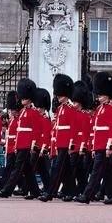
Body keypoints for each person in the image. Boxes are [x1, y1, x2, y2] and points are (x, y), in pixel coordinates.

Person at [0, 78, 42, 199]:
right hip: (20, 144)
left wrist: (33, 144)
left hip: (26, 144)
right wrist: (15, 145)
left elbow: (36, 130)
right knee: (28, 170)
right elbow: (19, 131)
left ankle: (6, 190)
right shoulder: (23, 112)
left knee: (17, 168)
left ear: (29, 98)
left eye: (24, 98)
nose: (22, 100)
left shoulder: (34, 112)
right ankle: (36, 192)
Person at [74, 72, 112, 205]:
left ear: (108, 96)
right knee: (106, 173)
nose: (99, 98)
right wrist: (93, 146)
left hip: (105, 145)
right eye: (99, 95)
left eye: (102, 96)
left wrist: (110, 146)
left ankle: (87, 195)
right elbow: (95, 129)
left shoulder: (111, 110)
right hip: (99, 144)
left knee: (96, 171)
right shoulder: (100, 109)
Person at [39, 74, 78, 202]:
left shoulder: (71, 109)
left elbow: (73, 127)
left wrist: (71, 143)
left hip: (66, 142)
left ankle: (50, 192)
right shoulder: (61, 108)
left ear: (66, 94)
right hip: (60, 142)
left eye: (60, 94)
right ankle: (72, 191)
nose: (58, 96)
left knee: (56, 168)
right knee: (66, 169)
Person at [2, 91, 20, 187]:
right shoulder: (12, 120)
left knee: (10, 167)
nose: (11, 111)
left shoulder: (18, 120)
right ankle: (22, 186)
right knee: (14, 168)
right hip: (10, 146)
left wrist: (14, 147)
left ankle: (4, 186)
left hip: (14, 147)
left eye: (12, 109)